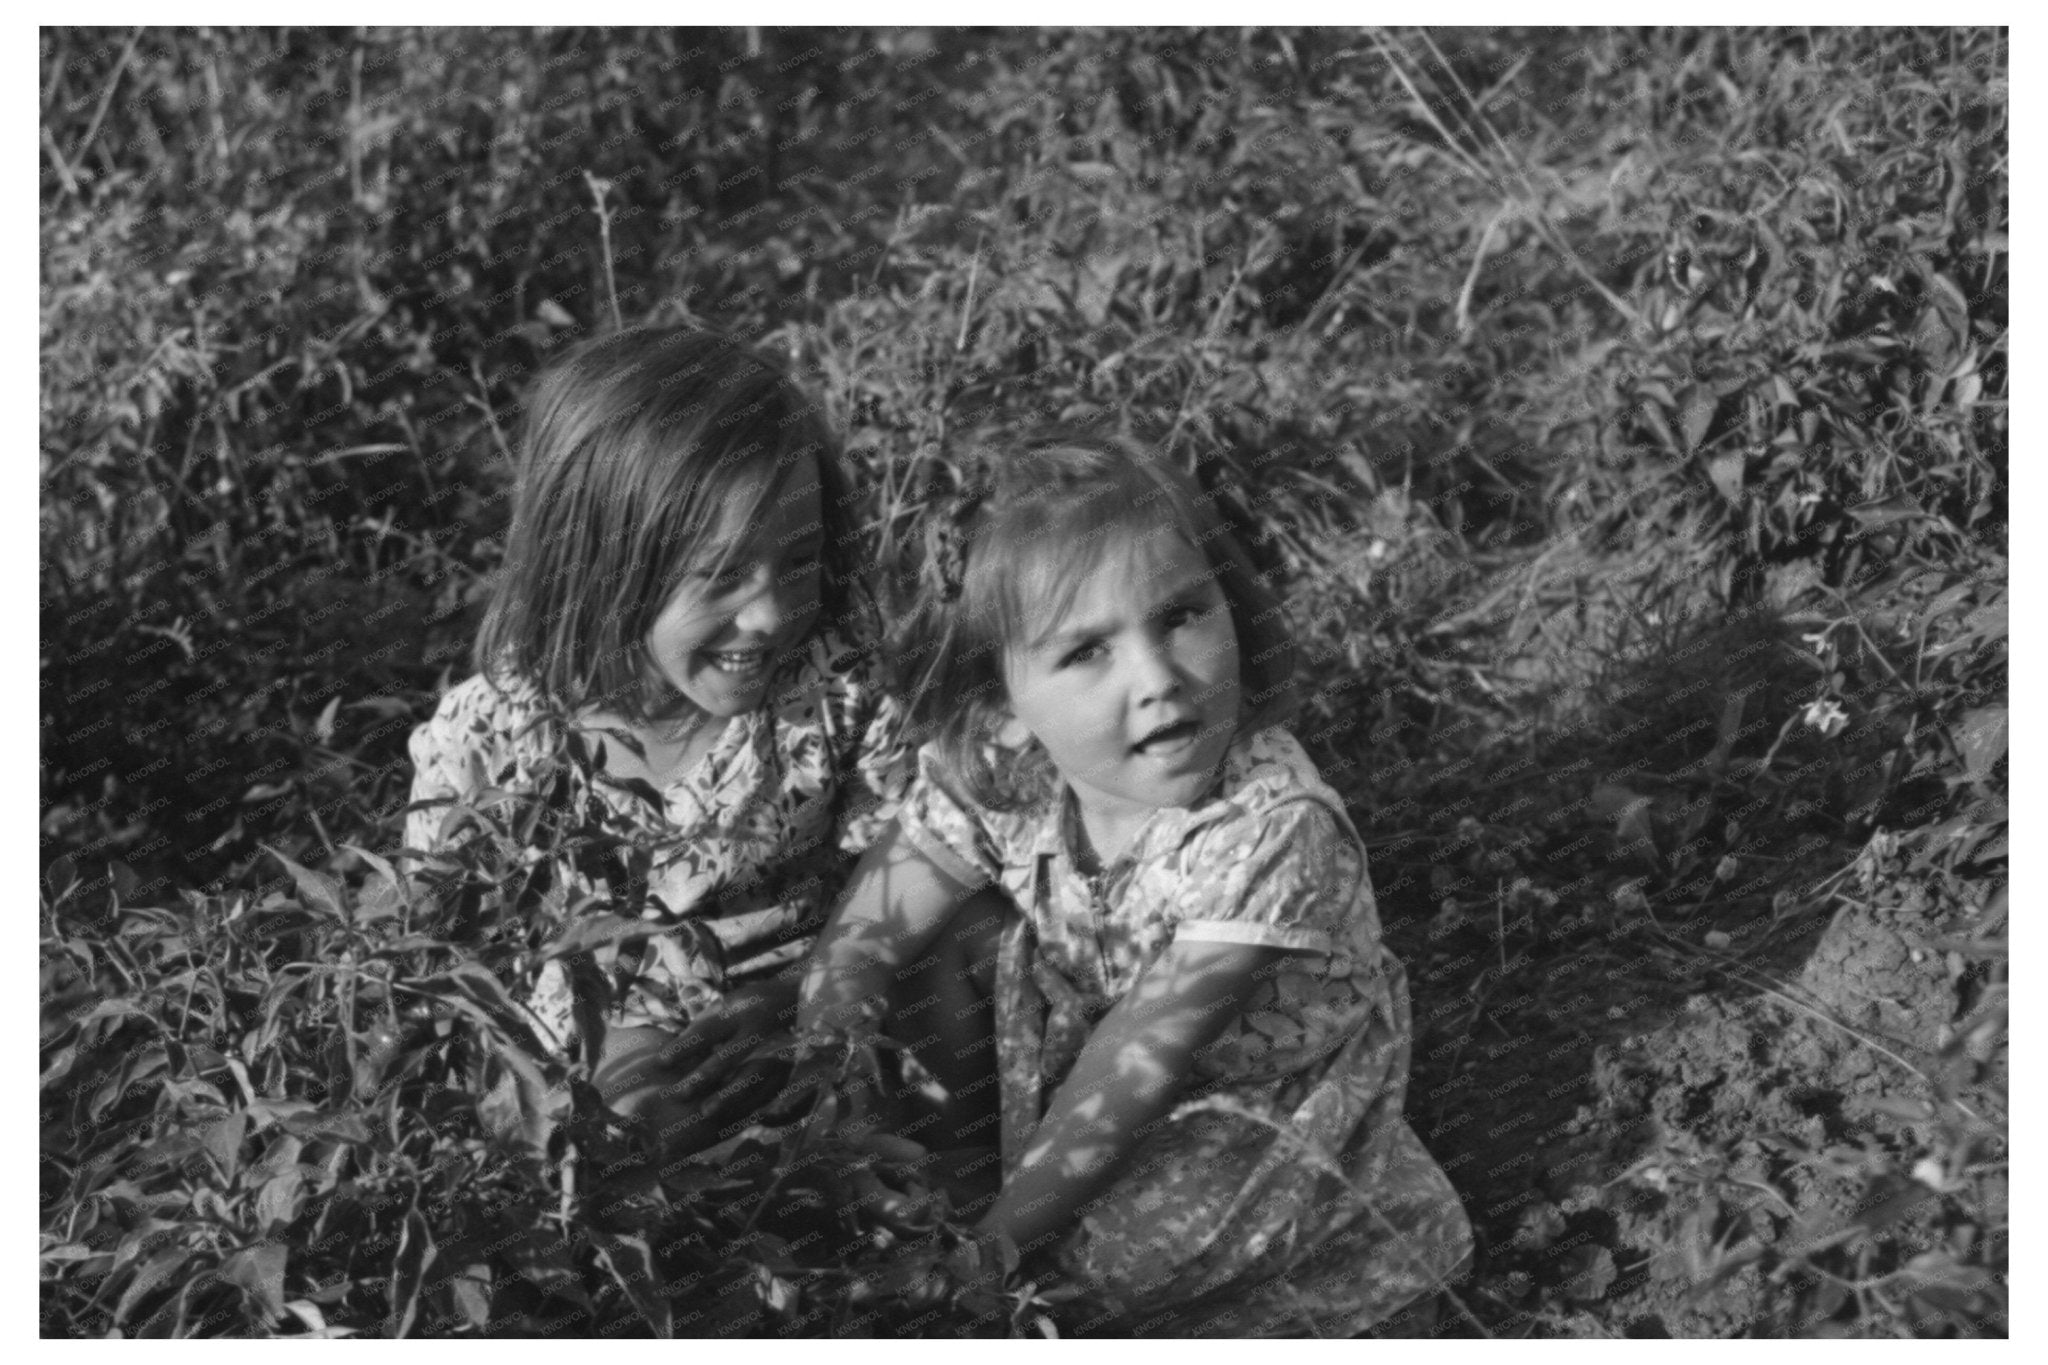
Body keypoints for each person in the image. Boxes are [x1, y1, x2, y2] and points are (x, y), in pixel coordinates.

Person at [796, 430, 1473, 1336]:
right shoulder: (1008, 773)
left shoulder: (1272, 828)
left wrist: (993, 1253)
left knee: (1098, 1269)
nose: (1157, 678)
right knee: (933, 953)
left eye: (1181, 615)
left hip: (1244, 1122)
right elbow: (865, 939)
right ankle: (953, 1205)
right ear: (1002, 708)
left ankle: (1351, 1288)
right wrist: (833, 1091)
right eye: (1086, 653)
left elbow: (1134, 1066)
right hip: (1082, 1079)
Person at [404, 324, 947, 1152]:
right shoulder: (495, 738)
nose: (769, 616)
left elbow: (919, 859)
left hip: (822, 997)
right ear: (604, 564)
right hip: (611, 1036)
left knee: (957, 975)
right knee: (629, 1110)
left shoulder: (833, 686)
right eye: (722, 574)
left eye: (797, 564)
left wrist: (811, 996)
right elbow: (441, 957)